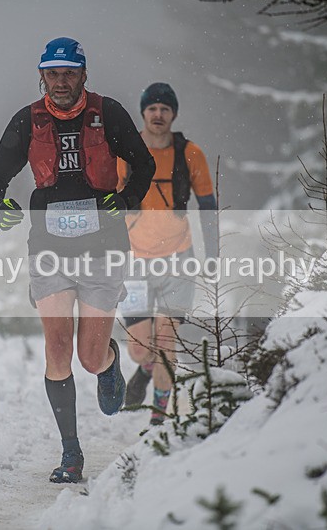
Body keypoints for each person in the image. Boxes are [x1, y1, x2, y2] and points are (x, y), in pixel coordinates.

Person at [0, 37, 155, 483]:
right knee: (57, 350)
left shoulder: (108, 113)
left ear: (83, 74)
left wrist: (127, 199)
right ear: (42, 75)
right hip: (49, 248)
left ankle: (109, 362)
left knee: (88, 357)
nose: (61, 82)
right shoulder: (28, 120)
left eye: (69, 73)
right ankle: (71, 453)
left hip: (103, 247)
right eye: (53, 73)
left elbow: (144, 164)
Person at [117, 82, 218, 426]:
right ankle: (145, 368)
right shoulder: (125, 153)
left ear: (173, 114)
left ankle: (158, 418)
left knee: (166, 339)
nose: (158, 114)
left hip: (178, 259)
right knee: (139, 348)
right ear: (143, 113)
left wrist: (212, 254)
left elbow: (208, 206)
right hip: (134, 262)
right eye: (152, 109)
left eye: (165, 109)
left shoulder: (190, 154)